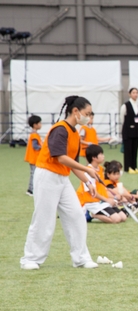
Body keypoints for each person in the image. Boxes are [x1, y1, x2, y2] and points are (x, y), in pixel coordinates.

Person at [20, 95, 100, 270]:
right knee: (44, 218)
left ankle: (81, 258)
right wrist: (87, 169)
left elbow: (72, 162)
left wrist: (88, 182)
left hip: (62, 179)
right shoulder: (60, 129)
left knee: (77, 216)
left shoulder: (75, 133)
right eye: (87, 113)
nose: (89, 117)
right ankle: (31, 259)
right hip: (47, 176)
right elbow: (61, 157)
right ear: (76, 111)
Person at [77, 146, 127, 224]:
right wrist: (107, 200)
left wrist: (114, 197)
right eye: (101, 154)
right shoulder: (88, 171)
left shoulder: (100, 169)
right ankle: (92, 214)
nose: (103, 156)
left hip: (102, 201)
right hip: (92, 202)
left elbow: (102, 187)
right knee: (116, 219)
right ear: (94, 157)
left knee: (123, 218)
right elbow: (92, 192)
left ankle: (97, 214)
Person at [120, 87, 138, 174]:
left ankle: (134, 166)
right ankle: (127, 167)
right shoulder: (125, 105)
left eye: (136, 92)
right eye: (133, 92)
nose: (135, 94)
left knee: (135, 149)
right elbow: (122, 118)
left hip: (136, 131)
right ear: (130, 94)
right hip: (128, 131)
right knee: (128, 150)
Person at [24, 115, 42, 196]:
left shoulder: (34, 134)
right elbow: (35, 146)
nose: (41, 124)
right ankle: (31, 190)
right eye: (39, 123)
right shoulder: (34, 135)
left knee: (34, 173)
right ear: (35, 125)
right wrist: (43, 147)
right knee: (34, 174)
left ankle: (32, 189)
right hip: (34, 158)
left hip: (34, 158)